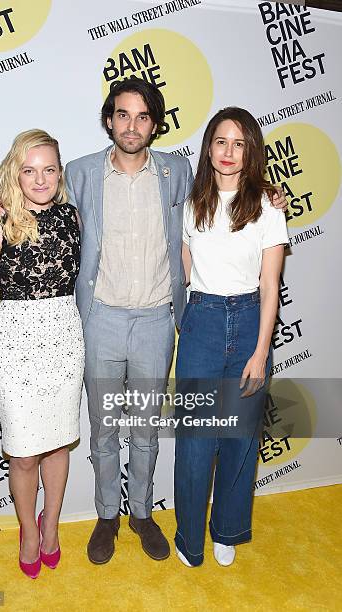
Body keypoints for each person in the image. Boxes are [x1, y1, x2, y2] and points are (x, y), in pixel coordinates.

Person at [0, 80, 287, 565]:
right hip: (97, 320)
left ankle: (141, 512)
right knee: (102, 429)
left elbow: (224, 193)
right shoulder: (77, 174)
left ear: (154, 124)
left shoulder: (177, 172)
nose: (132, 125)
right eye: (123, 115)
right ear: (109, 120)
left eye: (143, 117)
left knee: (144, 426)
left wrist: (268, 193)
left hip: (157, 321)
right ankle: (107, 516)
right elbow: (29, 200)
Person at [174, 107, 288, 569]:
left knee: (239, 439)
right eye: (221, 141)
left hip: (247, 324)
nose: (228, 152)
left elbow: (269, 287)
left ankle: (227, 529)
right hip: (201, 320)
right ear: (208, 147)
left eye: (239, 143)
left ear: (250, 152)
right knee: (197, 439)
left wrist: (261, 351)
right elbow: (185, 259)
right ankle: (189, 537)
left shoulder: (266, 207)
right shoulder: (191, 205)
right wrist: (199, 306)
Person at [0, 130, 84, 579]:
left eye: (49, 169)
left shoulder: (73, 216)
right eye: (29, 170)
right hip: (14, 343)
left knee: (58, 444)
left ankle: (50, 526)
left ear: (60, 172)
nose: (40, 179)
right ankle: (28, 532)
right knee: (22, 454)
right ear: (14, 173)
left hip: (64, 337)